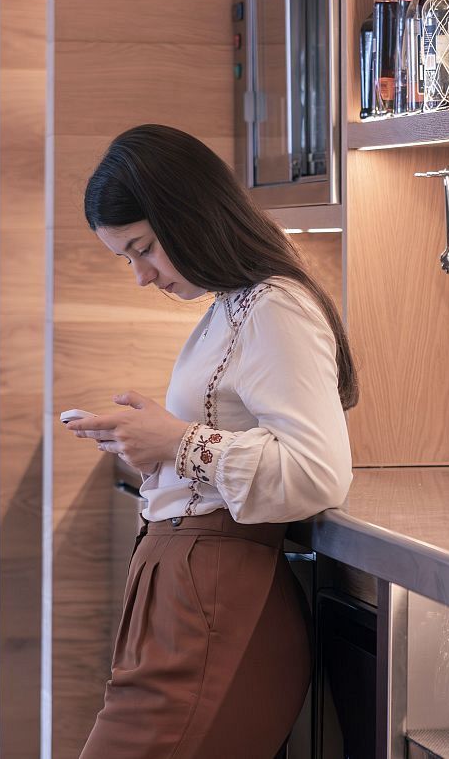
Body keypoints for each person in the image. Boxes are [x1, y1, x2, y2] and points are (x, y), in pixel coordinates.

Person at [67, 125, 357, 758]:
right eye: (126, 259)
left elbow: (318, 472)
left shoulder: (276, 307)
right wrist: (155, 442)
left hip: (213, 593)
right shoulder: (233, 306)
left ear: (185, 212)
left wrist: (177, 443)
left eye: (143, 249)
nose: (141, 276)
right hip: (186, 588)